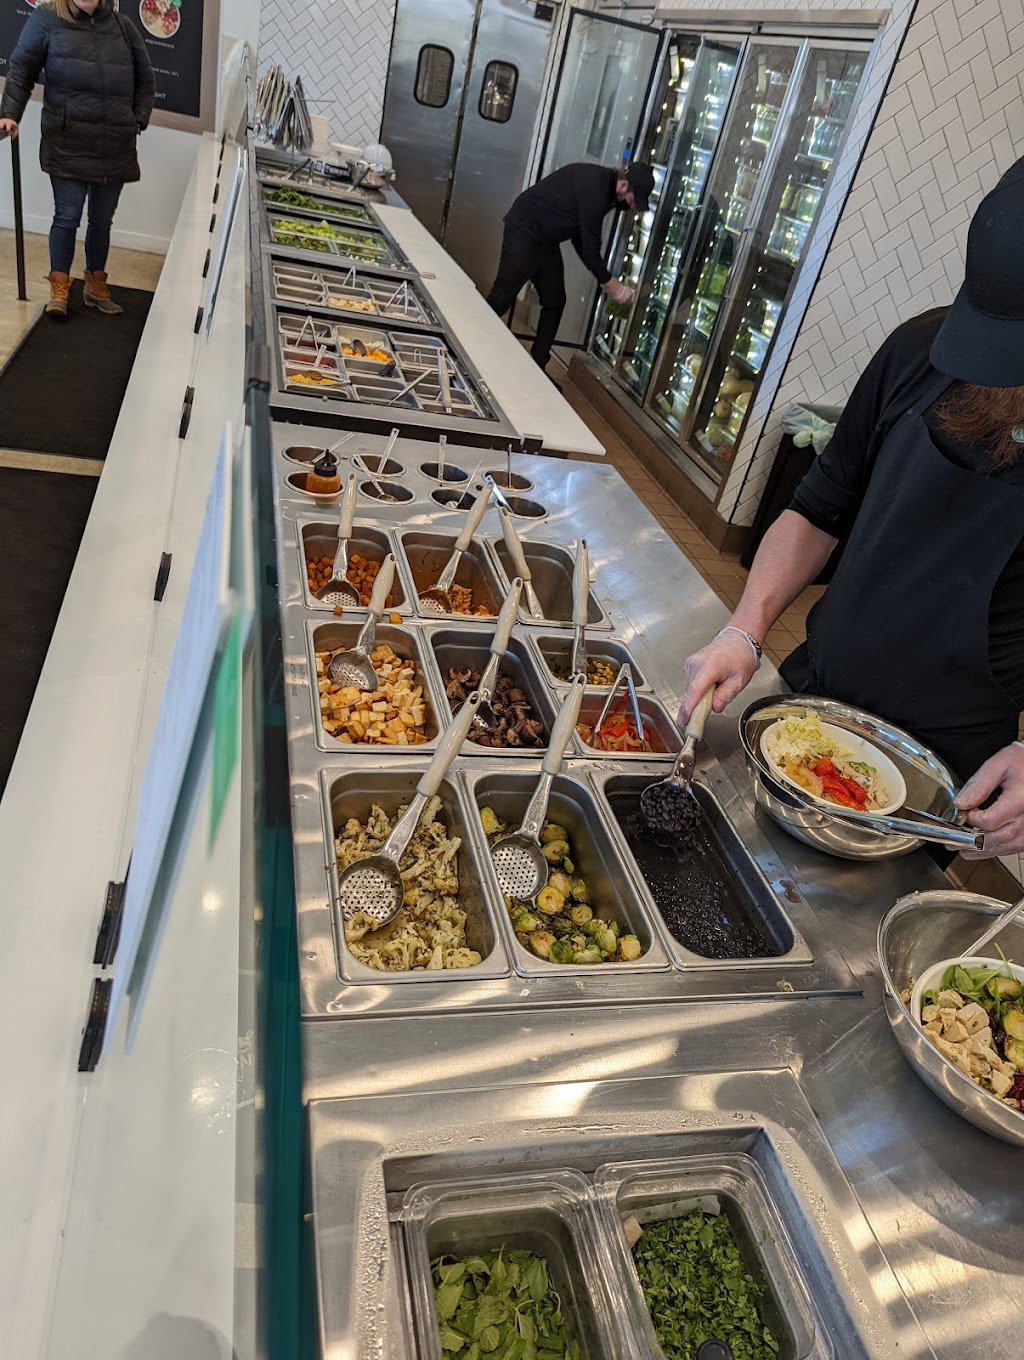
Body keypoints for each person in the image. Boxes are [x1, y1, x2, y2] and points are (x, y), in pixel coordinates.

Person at [680, 156, 1024, 860]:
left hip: (946, 771)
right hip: (811, 697)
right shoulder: (919, 351)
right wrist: (745, 629)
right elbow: (817, 510)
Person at [0, 0, 155, 320]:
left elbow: (146, 78)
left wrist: (137, 120)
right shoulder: (46, 18)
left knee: (102, 220)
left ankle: (95, 286)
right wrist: (9, 113)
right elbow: (21, 69)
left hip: (114, 144)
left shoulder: (123, 27)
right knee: (67, 217)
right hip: (67, 141)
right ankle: (59, 289)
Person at [486, 160, 655, 376]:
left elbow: (580, 240)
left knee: (555, 301)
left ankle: (537, 368)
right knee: (503, 296)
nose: (631, 206)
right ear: (624, 185)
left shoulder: (605, 190)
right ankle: (468, 347)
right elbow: (590, 248)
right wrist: (613, 286)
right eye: (633, 200)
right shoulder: (596, 190)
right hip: (526, 229)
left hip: (546, 240)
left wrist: (604, 278)